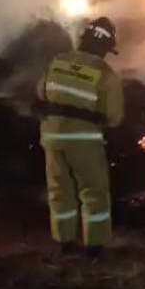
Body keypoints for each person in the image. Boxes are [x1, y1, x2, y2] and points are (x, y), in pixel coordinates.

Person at [35, 17, 124, 258]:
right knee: (93, 192)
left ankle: (64, 242)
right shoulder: (104, 73)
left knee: (59, 189)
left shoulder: (58, 61)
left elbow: (40, 93)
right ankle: (94, 247)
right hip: (83, 139)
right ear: (104, 47)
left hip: (51, 136)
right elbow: (114, 116)